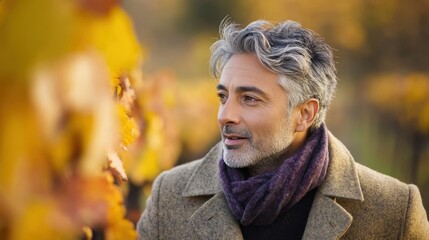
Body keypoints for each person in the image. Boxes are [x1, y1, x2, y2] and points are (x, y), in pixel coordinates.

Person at [137, 19, 429, 239]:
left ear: (304, 114)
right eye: (223, 97)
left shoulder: (395, 210)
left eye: (249, 99)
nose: (225, 115)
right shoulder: (169, 196)